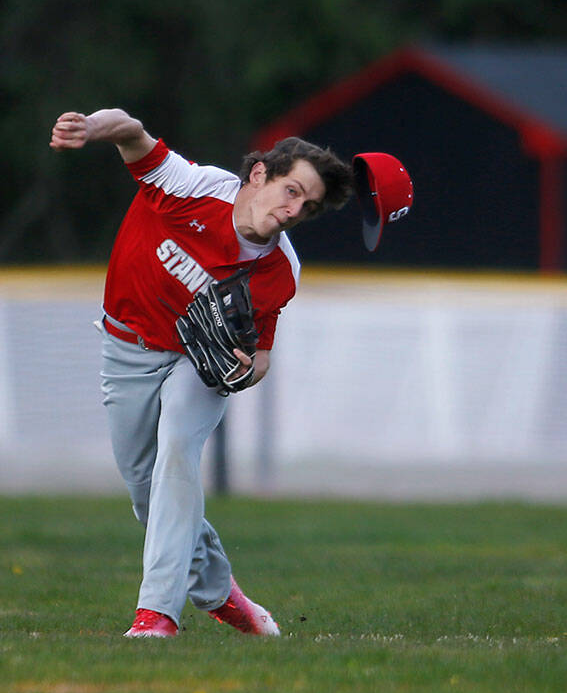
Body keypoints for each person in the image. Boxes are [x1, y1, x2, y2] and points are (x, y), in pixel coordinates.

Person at [49, 108, 354, 638]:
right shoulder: (191, 188)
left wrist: (244, 370)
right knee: (146, 489)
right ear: (259, 174)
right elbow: (129, 127)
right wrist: (88, 129)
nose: (294, 209)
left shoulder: (280, 269)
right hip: (127, 346)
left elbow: (258, 358)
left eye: (307, 206)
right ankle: (221, 595)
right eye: (291, 190)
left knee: (176, 457)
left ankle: (156, 616)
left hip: (196, 366)